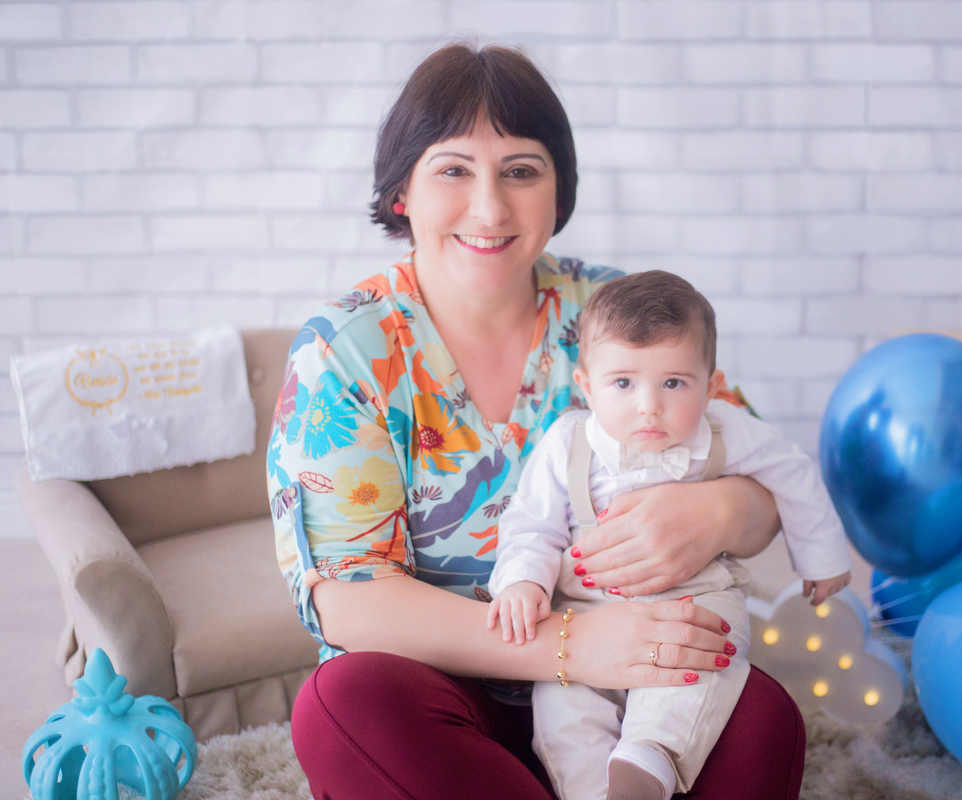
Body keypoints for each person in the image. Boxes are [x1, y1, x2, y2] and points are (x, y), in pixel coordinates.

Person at [270, 41, 810, 799]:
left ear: (559, 193)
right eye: (453, 170)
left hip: (627, 700)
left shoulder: (613, 310)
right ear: (402, 194)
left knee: (765, 719)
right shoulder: (346, 351)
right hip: (445, 697)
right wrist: (575, 646)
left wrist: (723, 509)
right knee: (342, 706)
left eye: (521, 171)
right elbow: (349, 600)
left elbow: (762, 479)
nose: (490, 208)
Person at [487, 270, 852, 800]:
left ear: (711, 384)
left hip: (694, 601)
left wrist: (821, 558)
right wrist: (523, 582)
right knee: (564, 708)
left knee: (704, 669)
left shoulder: (726, 429)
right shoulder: (568, 441)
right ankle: (592, 788)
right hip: (585, 612)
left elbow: (793, 473)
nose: (649, 405)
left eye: (674, 382)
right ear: (587, 385)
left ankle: (650, 759)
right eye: (623, 383)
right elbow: (531, 524)